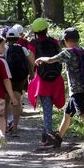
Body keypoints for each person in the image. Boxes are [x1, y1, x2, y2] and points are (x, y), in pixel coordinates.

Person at [34, 28, 84, 147]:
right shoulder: (81, 50)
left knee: (83, 113)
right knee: (68, 114)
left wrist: (40, 59)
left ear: (66, 40)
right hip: (81, 87)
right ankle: (58, 138)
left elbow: (51, 60)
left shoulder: (69, 52)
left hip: (76, 89)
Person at [27, 18, 65, 146]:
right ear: (46, 29)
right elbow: (60, 57)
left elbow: (33, 62)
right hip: (56, 78)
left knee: (47, 106)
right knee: (49, 107)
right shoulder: (54, 41)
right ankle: (46, 133)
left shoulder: (32, 44)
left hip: (42, 79)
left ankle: (48, 134)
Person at [4, 28, 33, 137]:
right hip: (20, 79)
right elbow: (30, 63)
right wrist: (31, 75)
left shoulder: (5, 49)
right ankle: (15, 128)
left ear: (7, 38)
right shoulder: (23, 49)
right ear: (17, 38)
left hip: (8, 78)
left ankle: (5, 126)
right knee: (16, 102)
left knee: (6, 102)